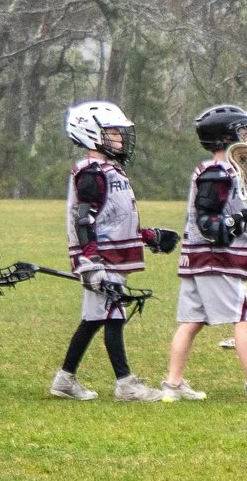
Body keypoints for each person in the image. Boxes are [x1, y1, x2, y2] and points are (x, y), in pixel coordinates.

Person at [161, 104, 247, 404]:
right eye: (242, 131)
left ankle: (173, 385)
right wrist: (241, 222)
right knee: (243, 318)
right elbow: (209, 223)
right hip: (214, 260)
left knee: (192, 321)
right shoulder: (217, 173)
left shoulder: (226, 172)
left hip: (198, 260)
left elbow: (226, 217)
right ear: (226, 137)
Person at [51, 101, 174, 403]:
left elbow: (114, 219)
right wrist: (91, 262)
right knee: (113, 316)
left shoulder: (111, 171)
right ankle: (126, 384)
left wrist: (149, 236)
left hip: (111, 257)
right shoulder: (91, 173)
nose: (119, 138)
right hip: (101, 260)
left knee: (94, 319)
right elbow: (84, 220)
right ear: (91, 133)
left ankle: (65, 379)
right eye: (113, 132)